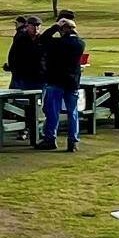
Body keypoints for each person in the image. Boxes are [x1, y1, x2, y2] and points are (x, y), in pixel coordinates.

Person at [40, 16, 85, 151]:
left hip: (56, 80)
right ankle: (73, 141)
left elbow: (43, 39)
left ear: (62, 30)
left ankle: (50, 139)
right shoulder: (80, 43)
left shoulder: (58, 44)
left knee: (53, 112)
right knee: (72, 112)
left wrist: (55, 26)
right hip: (72, 82)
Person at [3, 16, 41, 93]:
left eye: (37, 25)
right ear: (27, 26)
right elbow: (13, 55)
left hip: (36, 76)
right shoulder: (21, 38)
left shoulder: (42, 39)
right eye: (33, 25)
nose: (35, 28)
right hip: (22, 75)